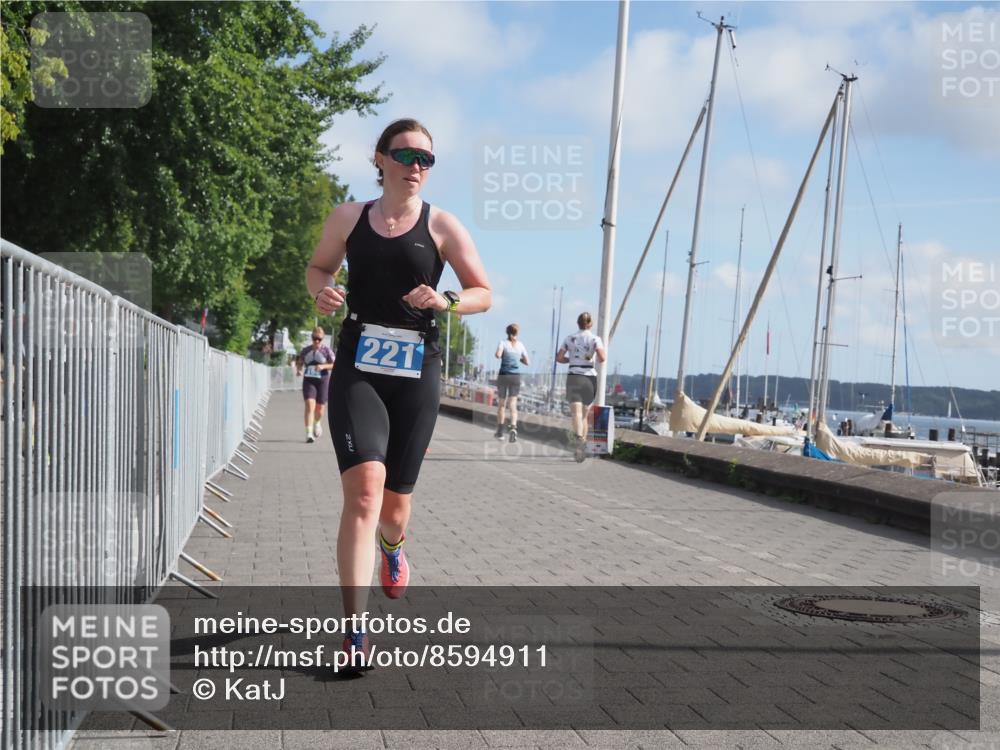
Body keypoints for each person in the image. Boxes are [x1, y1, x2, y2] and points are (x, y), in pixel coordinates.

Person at [306, 118, 491, 671]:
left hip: (417, 368)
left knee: (394, 508)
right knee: (364, 493)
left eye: (427, 159)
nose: (417, 167)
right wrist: (323, 292)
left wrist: (447, 301)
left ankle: (393, 547)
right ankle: (354, 631)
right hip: (359, 363)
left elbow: (484, 291)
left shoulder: (442, 226)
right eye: (407, 155)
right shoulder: (349, 217)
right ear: (380, 158)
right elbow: (317, 268)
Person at [556, 312, 607, 462]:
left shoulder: (569, 338)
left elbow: (559, 358)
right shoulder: (595, 339)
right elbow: (602, 358)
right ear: (591, 324)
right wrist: (589, 359)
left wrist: (571, 360)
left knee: (576, 414)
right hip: (590, 378)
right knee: (584, 415)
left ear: (578, 323)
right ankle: (582, 443)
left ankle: (579, 439)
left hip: (574, 377)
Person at [295, 326, 335, 443]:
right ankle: (309, 434)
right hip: (309, 380)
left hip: (322, 379)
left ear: (322, 339)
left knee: (320, 408)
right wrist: (299, 369)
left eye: (319, 339)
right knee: (309, 405)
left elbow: (334, 364)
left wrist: (323, 366)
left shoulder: (326, 351)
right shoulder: (306, 350)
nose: (316, 341)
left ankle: (317, 423)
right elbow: (300, 362)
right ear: (311, 338)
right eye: (314, 338)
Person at [494, 324, 529, 442]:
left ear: (507, 332)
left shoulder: (503, 343)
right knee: (513, 405)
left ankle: (500, 432)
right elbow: (527, 362)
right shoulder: (521, 345)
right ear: (517, 333)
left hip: (504, 375)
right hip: (515, 377)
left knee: (502, 404)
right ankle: (513, 427)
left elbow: (498, 355)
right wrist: (517, 358)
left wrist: (504, 354)